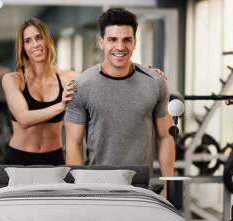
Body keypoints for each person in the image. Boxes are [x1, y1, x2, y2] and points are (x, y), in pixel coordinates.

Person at [65, 8, 175, 178]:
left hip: (140, 185)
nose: (120, 47)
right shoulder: (81, 86)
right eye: (112, 39)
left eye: (126, 40)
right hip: (96, 184)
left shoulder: (155, 82)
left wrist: (169, 183)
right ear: (101, 42)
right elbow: (74, 143)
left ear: (135, 42)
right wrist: (78, 188)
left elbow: (165, 137)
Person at [1, 18, 77, 165]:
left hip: (54, 159)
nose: (35, 44)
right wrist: (61, 106)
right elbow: (24, 119)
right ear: (22, 47)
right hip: (19, 159)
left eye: (39, 37)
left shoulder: (68, 78)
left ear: (47, 40)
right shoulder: (13, 80)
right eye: (28, 41)